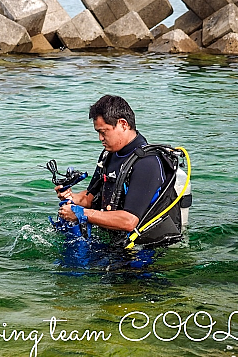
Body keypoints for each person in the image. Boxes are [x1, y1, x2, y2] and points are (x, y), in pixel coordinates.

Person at [56, 94, 182, 246]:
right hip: (116, 242)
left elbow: (129, 221)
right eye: (98, 132)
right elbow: (90, 199)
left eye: (104, 132)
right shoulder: (109, 155)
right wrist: (71, 198)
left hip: (143, 251)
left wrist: (80, 213)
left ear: (123, 124)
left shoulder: (147, 163)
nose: (100, 138)